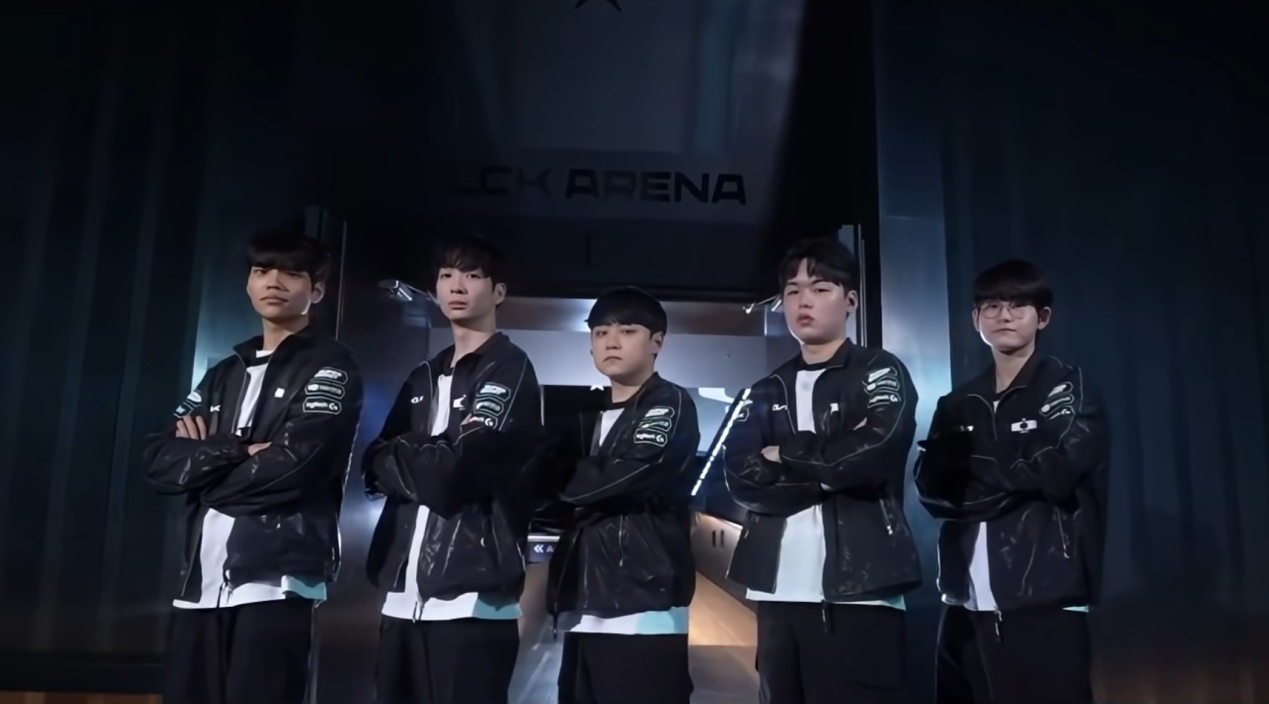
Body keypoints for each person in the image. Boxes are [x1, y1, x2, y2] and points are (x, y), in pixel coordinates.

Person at [144, 225, 364, 704]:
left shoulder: (331, 364)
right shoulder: (224, 372)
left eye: (291, 273)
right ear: (248, 282)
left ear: (317, 290)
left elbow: (295, 465)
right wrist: (237, 452)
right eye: (262, 270)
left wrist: (202, 476)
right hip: (200, 581)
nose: (273, 282)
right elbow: (160, 459)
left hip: (276, 579)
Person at [724, 237, 922, 704]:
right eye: (792, 291)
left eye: (820, 288)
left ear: (850, 301)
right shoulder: (764, 389)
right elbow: (742, 477)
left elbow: (871, 453)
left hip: (862, 589)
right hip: (776, 592)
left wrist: (786, 452)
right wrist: (829, 470)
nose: (804, 301)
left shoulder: (880, 371)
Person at [914, 259, 1109, 704]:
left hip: (1043, 600)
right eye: (992, 306)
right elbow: (931, 490)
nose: (1004, 315)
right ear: (975, 318)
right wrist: (1009, 470)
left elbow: (1056, 471)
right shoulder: (957, 402)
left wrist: (969, 465)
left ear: (1043, 317)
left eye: (1018, 305)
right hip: (962, 605)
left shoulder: (1068, 388)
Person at [362, 235, 543, 704]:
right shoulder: (422, 375)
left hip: (473, 599)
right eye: (446, 276)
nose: (456, 286)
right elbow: (372, 463)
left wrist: (411, 453)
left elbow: (456, 474)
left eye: (472, 276)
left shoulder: (510, 368)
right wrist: (427, 452)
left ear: (498, 292)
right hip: (401, 596)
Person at [547, 287, 701, 704]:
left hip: (643, 605)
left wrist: (560, 478)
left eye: (627, 331)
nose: (611, 342)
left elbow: (628, 476)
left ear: (656, 342)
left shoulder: (670, 402)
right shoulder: (587, 416)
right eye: (600, 332)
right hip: (582, 605)